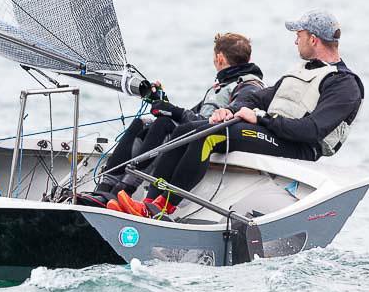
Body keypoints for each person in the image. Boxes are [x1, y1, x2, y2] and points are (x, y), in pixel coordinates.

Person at [114, 10, 364, 220]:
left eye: (298, 36)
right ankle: (148, 202)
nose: (295, 41)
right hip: (274, 132)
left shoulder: (344, 84)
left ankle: (161, 209)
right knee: (187, 130)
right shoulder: (300, 69)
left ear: (313, 39)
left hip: (299, 146)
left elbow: (311, 131)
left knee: (208, 135)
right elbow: (260, 98)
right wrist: (229, 110)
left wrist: (262, 119)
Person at [80, 33, 265, 208]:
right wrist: (161, 102)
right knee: (142, 123)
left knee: (163, 124)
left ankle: (123, 191)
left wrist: (173, 112)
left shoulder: (249, 86)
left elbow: (221, 118)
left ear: (220, 59)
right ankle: (103, 189)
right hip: (193, 130)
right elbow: (192, 115)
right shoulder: (222, 85)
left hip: (213, 137)